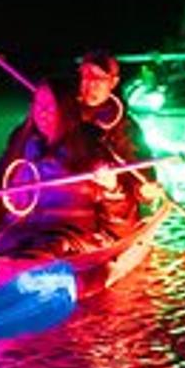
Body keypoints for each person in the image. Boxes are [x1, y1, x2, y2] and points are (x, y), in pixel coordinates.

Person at [0, 77, 120, 257]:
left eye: (50, 106)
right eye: (38, 105)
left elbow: (118, 218)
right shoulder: (19, 146)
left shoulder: (91, 149)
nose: (42, 113)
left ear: (66, 110)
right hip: (21, 231)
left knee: (45, 252)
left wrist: (112, 188)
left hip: (69, 239)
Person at [75, 50, 164, 232]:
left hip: (112, 208)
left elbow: (144, 174)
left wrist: (145, 191)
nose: (91, 83)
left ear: (113, 82)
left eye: (99, 77)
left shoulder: (127, 128)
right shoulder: (58, 115)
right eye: (86, 75)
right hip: (70, 204)